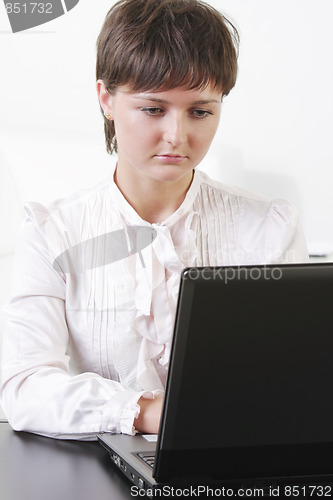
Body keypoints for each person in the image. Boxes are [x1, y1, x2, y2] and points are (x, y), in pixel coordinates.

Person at [0, 0, 308, 440]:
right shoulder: (53, 233)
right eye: (153, 109)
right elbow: (24, 386)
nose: (177, 136)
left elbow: (292, 378)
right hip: (96, 466)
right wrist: (150, 412)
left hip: (231, 458)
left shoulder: (269, 226)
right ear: (106, 99)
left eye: (200, 111)